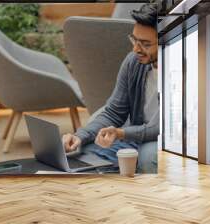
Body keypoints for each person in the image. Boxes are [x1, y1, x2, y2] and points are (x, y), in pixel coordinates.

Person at [62, 3, 159, 173]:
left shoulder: (186, 69)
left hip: (168, 139)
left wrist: (121, 133)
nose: (136, 49)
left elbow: (162, 128)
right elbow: (114, 112)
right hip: (132, 135)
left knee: (149, 157)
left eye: (145, 44)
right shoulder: (133, 62)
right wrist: (79, 136)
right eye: (134, 39)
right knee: (85, 152)